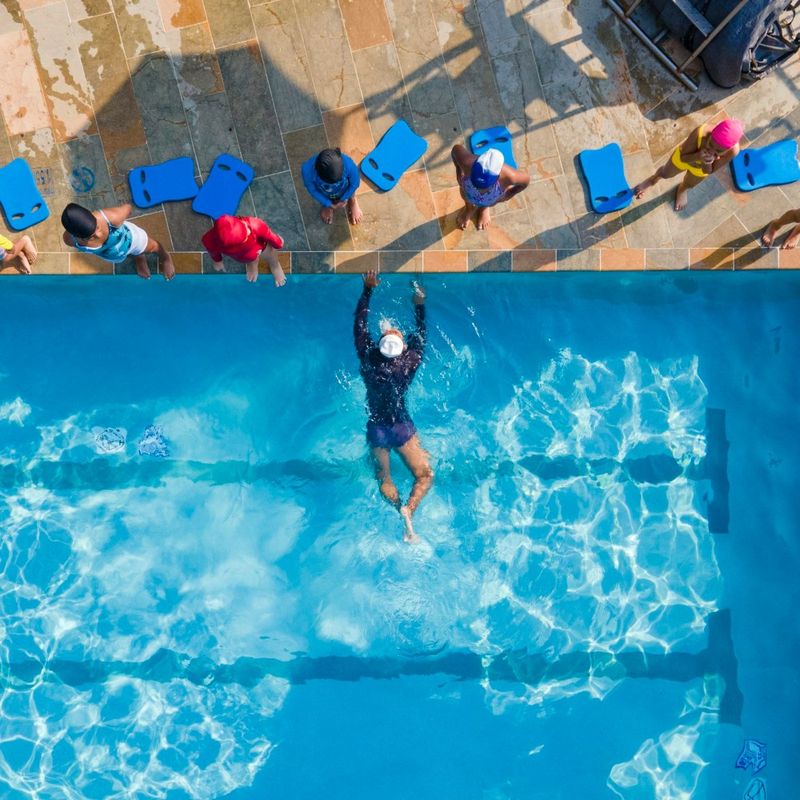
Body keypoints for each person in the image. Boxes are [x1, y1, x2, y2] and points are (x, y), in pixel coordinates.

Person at [354, 270, 433, 543]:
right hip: (400, 427)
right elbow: (421, 336)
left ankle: (397, 504)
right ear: (400, 349)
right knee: (425, 475)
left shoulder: (367, 359)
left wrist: (368, 289)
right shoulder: (408, 365)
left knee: (384, 479)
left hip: (377, 429)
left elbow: (360, 324)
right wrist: (419, 305)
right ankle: (409, 508)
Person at [634, 118, 744, 211]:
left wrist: (706, 162)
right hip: (686, 157)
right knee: (665, 173)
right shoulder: (700, 133)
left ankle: (682, 189)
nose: (711, 150)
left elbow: (709, 171)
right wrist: (698, 156)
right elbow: (683, 158)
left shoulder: (733, 151)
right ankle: (653, 179)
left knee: (690, 183)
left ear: (728, 149)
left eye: (718, 151)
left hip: (701, 169)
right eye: (710, 144)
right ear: (711, 134)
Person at [61, 202, 175, 280]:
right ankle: (139, 258)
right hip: (114, 254)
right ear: (76, 236)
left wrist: (124, 214)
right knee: (131, 254)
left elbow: (127, 208)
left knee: (153, 246)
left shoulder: (112, 217)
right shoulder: (70, 240)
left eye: (97, 227)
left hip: (132, 238)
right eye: (90, 237)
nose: (98, 234)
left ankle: (165, 257)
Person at [450, 145, 530, 231]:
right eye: (475, 183)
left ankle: (484, 209)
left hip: (491, 198)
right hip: (469, 192)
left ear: (497, 177)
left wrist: (509, 194)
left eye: (484, 187)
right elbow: (455, 150)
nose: (479, 190)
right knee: (467, 198)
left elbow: (526, 181)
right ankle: (469, 209)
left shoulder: (510, 176)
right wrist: (459, 172)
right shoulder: (467, 162)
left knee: (487, 202)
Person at [201, 214, 286, 284]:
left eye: (244, 226)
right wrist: (217, 260)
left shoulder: (255, 225)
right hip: (244, 256)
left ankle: (275, 266)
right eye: (246, 235)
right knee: (249, 259)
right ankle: (252, 263)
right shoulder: (209, 240)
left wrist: (278, 243)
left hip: (260, 246)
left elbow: (269, 236)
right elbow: (212, 251)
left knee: (270, 254)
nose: (248, 231)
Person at [301, 147, 363, 226]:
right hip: (323, 191)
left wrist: (345, 198)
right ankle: (328, 207)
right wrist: (328, 204)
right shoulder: (307, 171)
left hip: (345, 187)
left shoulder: (348, 163)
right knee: (325, 197)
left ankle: (353, 201)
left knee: (351, 191)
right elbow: (313, 190)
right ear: (316, 171)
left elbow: (354, 184)